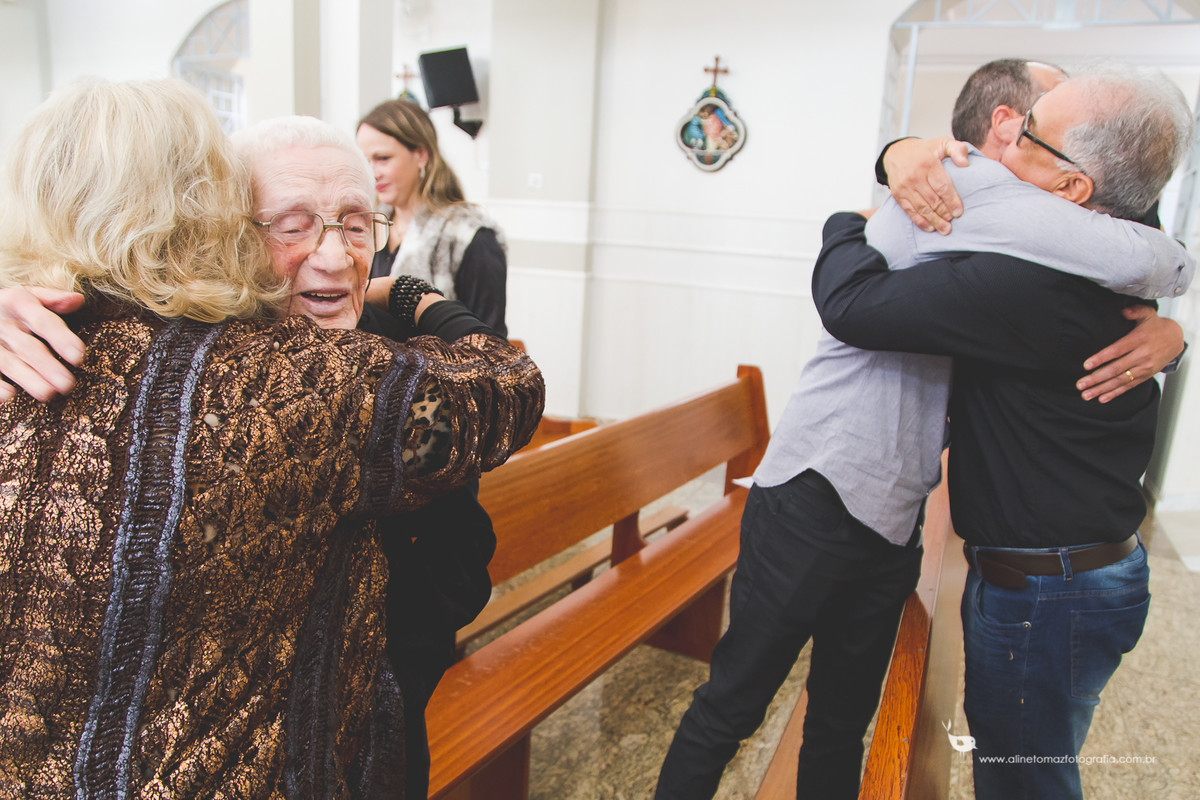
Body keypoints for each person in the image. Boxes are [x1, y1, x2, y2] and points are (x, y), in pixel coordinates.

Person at [653, 63, 1192, 799]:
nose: (1014, 133)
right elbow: (849, 306)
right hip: (818, 492)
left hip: (901, 511)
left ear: (1074, 184)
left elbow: (1143, 246)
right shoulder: (962, 204)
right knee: (734, 703)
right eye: (1020, 120)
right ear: (989, 128)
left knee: (844, 718)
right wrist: (880, 178)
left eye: (1032, 128)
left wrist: (1172, 327)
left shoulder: (1033, 245)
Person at [0, 78, 543, 799]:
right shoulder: (66, 354)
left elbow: (460, 552)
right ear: (223, 229)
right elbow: (510, 384)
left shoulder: (393, 365)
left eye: (357, 225)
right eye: (291, 225)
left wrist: (387, 677)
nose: (334, 257)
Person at [357, 98, 507, 335]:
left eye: (382, 158)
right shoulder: (365, 229)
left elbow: (490, 343)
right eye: (364, 161)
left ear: (420, 155)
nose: (372, 173)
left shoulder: (470, 235)